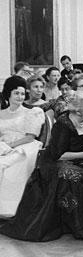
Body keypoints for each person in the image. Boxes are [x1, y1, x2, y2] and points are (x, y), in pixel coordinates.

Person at [0, 91, 83, 241]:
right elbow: (57, 155)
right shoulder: (64, 123)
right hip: (55, 162)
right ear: (78, 109)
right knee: (69, 176)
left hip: (81, 163)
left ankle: (77, 222)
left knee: (77, 175)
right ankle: (73, 224)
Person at [0, 76, 45, 217]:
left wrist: (9, 146)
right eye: (16, 93)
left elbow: (30, 136)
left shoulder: (32, 112)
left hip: (24, 146)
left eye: (22, 93)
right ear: (8, 94)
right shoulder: (1, 114)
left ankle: (8, 210)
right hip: (4, 146)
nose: (20, 97)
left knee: (3, 166)